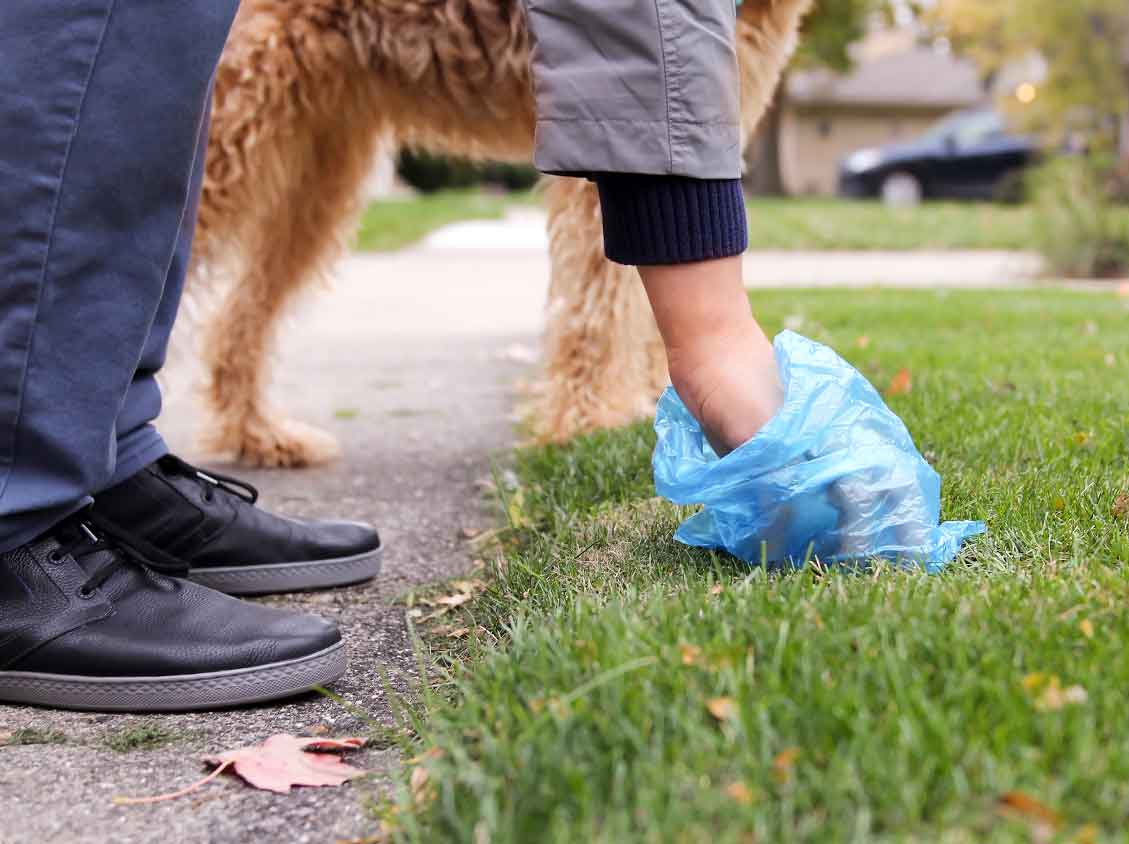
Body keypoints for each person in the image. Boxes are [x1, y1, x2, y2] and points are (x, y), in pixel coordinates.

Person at [0, 0, 778, 712]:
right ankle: (27, 493)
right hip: (322, 18)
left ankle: (108, 454)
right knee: (171, 161)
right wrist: (705, 339)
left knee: (183, 142)